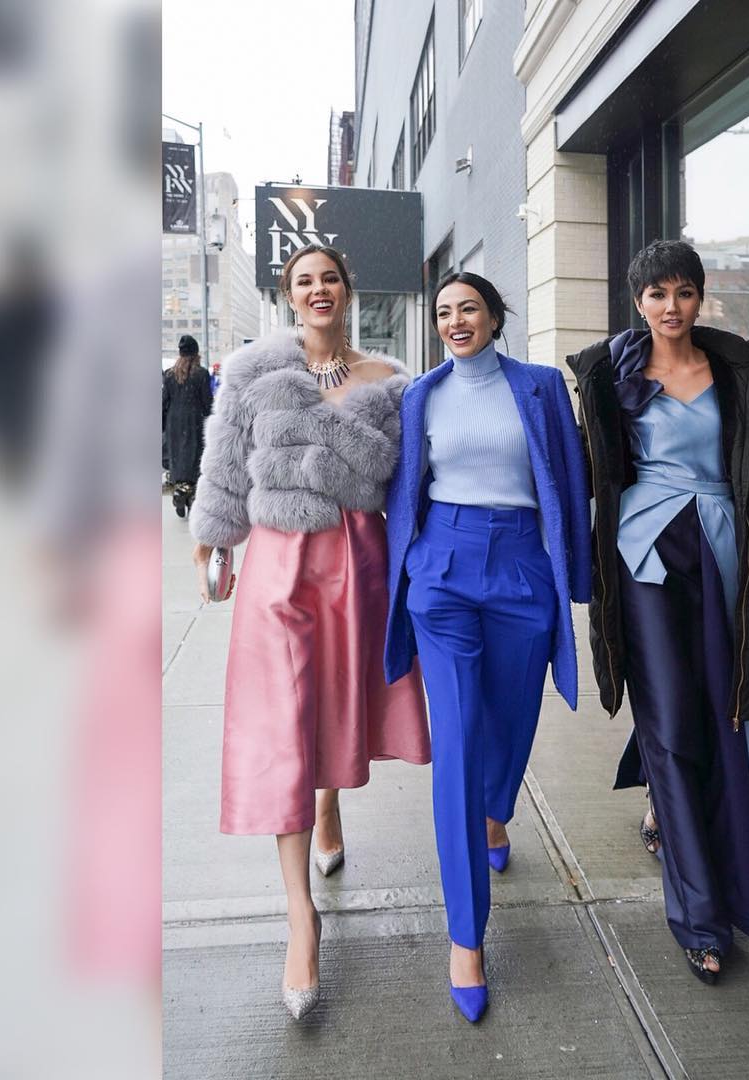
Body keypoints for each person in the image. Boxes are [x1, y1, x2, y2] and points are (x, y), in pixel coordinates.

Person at [189, 243, 431, 1020]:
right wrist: (213, 539)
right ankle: (302, 919)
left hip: (358, 567)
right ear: (288, 295)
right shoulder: (253, 370)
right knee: (279, 730)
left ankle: (328, 805)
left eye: (329, 277)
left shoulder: (391, 381)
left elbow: (415, 486)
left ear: (347, 289)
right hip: (277, 564)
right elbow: (226, 464)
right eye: (303, 281)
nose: (318, 289)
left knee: (331, 707)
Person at [567, 239, 749, 984]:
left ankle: (698, 849)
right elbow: (587, 469)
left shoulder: (734, 375)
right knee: (667, 722)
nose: (671, 306)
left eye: (684, 292)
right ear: (639, 302)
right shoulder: (613, 377)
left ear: (700, 298)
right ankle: (699, 919)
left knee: (726, 720)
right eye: (657, 294)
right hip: (645, 554)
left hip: (723, 550)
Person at [384, 272, 591, 1022]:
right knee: (459, 739)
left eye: (468, 308)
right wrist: (412, 562)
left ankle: (495, 811)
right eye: (443, 311)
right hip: (443, 566)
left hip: (522, 566)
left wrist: (578, 576)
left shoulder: (539, 386)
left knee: (511, 719)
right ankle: (466, 937)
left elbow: (571, 481)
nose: (455, 320)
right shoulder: (421, 396)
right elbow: (404, 487)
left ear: (496, 318)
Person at [162, 335, 213, 517]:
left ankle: (180, 491)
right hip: (195, 423)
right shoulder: (201, 374)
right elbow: (207, 403)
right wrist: (211, 420)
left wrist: (162, 426)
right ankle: (190, 497)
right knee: (194, 461)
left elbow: (164, 402)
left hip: (174, 424)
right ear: (196, 353)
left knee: (178, 460)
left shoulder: (169, 375)